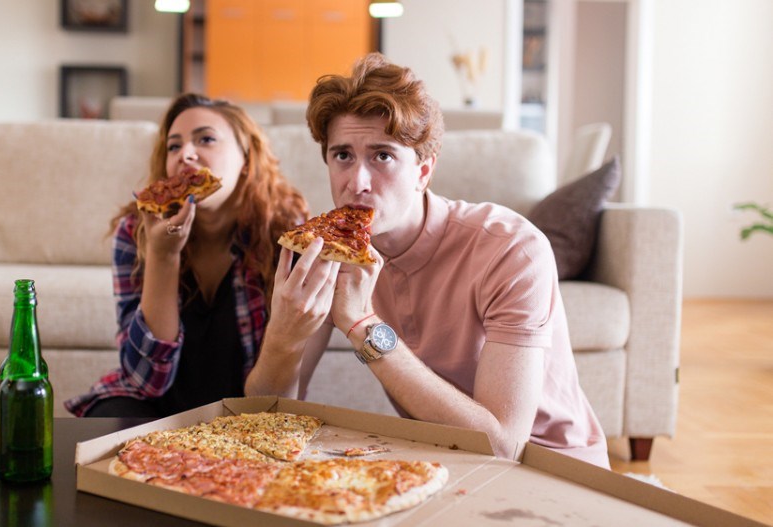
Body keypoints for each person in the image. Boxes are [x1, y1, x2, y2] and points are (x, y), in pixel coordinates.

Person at [245, 53, 610, 469]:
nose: (356, 183)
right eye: (342, 155)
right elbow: (265, 417)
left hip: (553, 467)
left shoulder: (512, 250)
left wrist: (363, 325)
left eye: (382, 156)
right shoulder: (327, 252)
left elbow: (504, 446)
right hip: (437, 460)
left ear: (423, 171)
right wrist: (283, 337)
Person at [66, 93, 307, 418]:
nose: (186, 155)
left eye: (205, 139)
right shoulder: (135, 230)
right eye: (174, 146)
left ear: (247, 157)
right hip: (150, 405)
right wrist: (163, 257)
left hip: (243, 411)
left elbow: (278, 395)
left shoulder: (287, 234)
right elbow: (146, 382)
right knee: (108, 431)